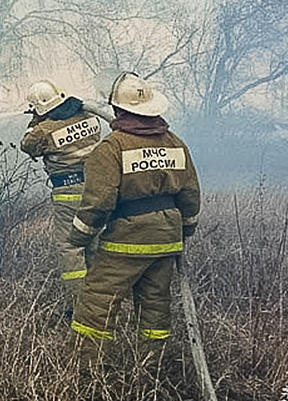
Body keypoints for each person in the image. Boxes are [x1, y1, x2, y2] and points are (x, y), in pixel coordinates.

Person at [65, 71, 200, 366]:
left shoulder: (111, 148)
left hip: (128, 239)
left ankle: (88, 369)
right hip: (167, 239)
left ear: (118, 110)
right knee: (155, 305)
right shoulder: (176, 144)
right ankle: (151, 368)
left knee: (98, 300)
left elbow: (98, 202)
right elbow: (190, 194)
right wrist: (185, 230)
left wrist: (79, 238)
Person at [20, 80, 103, 319]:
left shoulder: (43, 130)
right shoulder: (88, 116)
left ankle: (81, 311)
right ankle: (101, 307)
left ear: (38, 108)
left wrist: (36, 119)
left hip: (69, 193)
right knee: (95, 244)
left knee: (70, 248)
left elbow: (28, 146)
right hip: (98, 188)